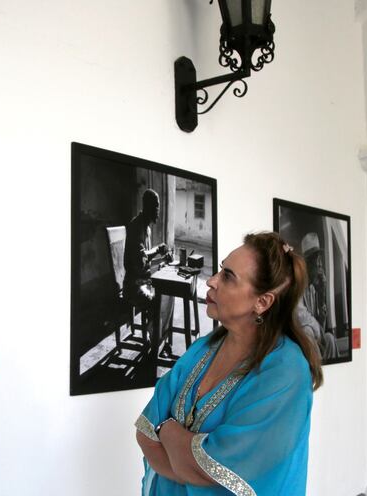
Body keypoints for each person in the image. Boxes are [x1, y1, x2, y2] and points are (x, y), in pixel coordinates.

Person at [134, 231, 323, 495]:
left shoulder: (286, 371)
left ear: (262, 302)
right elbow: (145, 431)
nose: (211, 281)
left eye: (228, 277)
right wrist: (185, 459)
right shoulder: (204, 348)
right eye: (221, 270)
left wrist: (166, 429)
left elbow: (220, 467)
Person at [123, 189, 170, 354]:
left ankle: (159, 338)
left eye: (158, 206)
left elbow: (145, 262)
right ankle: (156, 343)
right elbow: (139, 257)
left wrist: (163, 259)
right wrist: (157, 249)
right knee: (156, 302)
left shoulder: (147, 228)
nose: (158, 210)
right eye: (155, 206)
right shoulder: (135, 226)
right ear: (147, 207)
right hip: (133, 285)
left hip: (143, 281)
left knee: (166, 296)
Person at [296, 232, 337, 359]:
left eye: (320, 260)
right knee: (307, 331)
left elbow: (321, 328)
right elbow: (302, 318)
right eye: (316, 261)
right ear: (306, 265)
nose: (320, 266)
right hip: (298, 338)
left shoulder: (314, 288)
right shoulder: (297, 286)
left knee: (330, 338)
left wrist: (322, 293)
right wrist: (319, 331)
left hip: (314, 337)